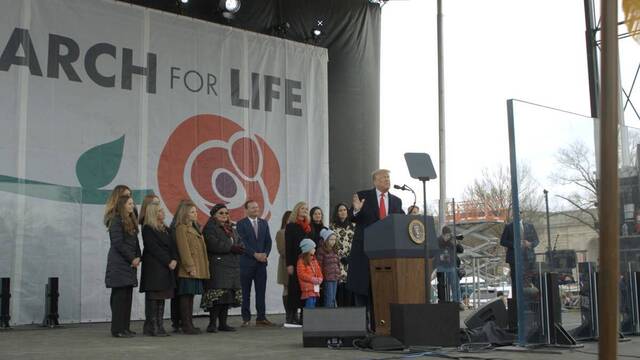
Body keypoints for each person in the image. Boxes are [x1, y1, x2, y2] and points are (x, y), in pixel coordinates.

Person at [348, 169, 404, 331]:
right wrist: (357, 209)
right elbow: (353, 217)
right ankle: (361, 328)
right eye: (384, 177)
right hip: (364, 250)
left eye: (388, 177)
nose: (387, 180)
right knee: (362, 288)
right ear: (375, 181)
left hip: (386, 252)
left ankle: (380, 326)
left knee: (382, 289)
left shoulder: (396, 201)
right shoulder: (362, 195)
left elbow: (399, 222)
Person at [201, 204, 243, 333]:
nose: (225, 215)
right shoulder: (210, 227)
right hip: (218, 265)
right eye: (221, 213)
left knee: (228, 296)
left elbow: (239, 241)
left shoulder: (231, 228)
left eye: (226, 213)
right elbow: (213, 244)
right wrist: (230, 248)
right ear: (214, 215)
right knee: (217, 296)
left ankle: (223, 323)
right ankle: (212, 324)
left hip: (232, 266)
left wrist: (240, 247)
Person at [105, 195, 141, 338]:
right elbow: (118, 243)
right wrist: (132, 258)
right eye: (130, 203)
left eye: (133, 203)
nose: (132, 206)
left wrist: (138, 256)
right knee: (119, 298)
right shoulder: (116, 220)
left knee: (127, 297)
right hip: (119, 264)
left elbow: (136, 242)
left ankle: (125, 328)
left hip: (129, 265)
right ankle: (117, 329)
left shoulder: (131, 220)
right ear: (122, 205)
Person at [140, 200, 178, 336]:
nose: (163, 213)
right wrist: (168, 261)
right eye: (160, 211)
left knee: (162, 297)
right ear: (154, 214)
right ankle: (152, 326)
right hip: (154, 268)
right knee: (154, 297)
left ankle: (160, 325)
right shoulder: (148, 229)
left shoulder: (166, 229)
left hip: (166, 268)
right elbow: (153, 248)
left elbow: (173, 246)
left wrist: (174, 259)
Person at [174, 200, 210, 335]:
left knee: (190, 297)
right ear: (185, 214)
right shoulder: (181, 228)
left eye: (196, 211)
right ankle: (186, 325)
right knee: (186, 297)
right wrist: (190, 266)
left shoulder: (194, 227)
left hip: (197, 267)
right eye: (192, 212)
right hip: (188, 269)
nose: (196, 214)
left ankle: (189, 324)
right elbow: (184, 249)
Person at [236, 200, 274, 327]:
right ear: (246, 210)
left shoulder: (264, 223)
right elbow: (242, 243)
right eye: (252, 208)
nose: (256, 209)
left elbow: (268, 241)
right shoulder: (241, 224)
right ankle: (246, 318)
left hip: (261, 264)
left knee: (261, 291)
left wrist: (265, 254)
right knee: (245, 292)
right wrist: (254, 254)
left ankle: (261, 317)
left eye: (257, 207)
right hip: (246, 263)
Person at [499, 214, 539, 307]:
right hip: (514, 259)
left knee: (529, 280)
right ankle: (517, 302)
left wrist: (530, 244)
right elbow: (503, 241)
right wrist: (515, 244)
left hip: (528, 258)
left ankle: (530, 301)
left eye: (520, 213)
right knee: (515, 281)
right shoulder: (509, 227)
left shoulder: (529, 226)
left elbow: (536, 241)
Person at [284, 202, 311, 327]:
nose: (305, 210)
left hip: (307, 262)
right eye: (302, 208)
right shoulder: (291, 226)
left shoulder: (308, 227)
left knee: (305, 289)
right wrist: (289, 264)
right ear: (297, 210)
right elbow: (288, 247)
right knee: (294, 289)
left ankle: (303, 317)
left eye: (306, 209)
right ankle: (291, 316)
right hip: (295, 261)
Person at [168, 199, 190, 333]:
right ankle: (178, 320)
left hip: (180, 262)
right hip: (180, 263)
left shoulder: (177, 225)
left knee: (179, 294)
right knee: (179, 294)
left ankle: (178, 321)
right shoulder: (178, 227)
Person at [330, 203, 355, 307]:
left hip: (351, 261)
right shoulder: (332, 227)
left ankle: (349, 314)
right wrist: (339, 257)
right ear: (337, 212)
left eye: (344, 210)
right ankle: (341, 312)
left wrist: (350, 257)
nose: (343, 212)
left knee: (349, 288)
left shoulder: (353, 226)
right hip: (337, 261)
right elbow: (330, 244)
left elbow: (357, 244)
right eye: (340, 210)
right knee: (339, 288)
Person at [436, 226, 464, 308]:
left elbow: (461, 250)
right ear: (443, 234)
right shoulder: (439, 241)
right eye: (447, 235)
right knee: (445, 285)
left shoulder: (451, 241)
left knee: (456, 284)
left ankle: (458, 302)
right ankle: (449, 302)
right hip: (444, 266)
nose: (448, 236)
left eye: (449, 235)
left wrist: (457, 242)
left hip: (452, 265)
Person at [316, 229, 340, 308]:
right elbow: (319, 265)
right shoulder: (321, 250)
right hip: (327, 277)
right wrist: (320, 276)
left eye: (334, 240)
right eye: (331, 239)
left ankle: (333, 314)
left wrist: (338, 273)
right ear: (326, 239)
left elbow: (337, 263)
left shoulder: (335, 250)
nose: (333, 242)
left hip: (335, 277)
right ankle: (328, 315)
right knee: (329, 298)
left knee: (333, 298)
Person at [297, 238, 323, 309]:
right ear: (307, 250)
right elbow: (301, 274)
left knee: (314, 305)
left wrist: (320, 278)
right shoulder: (301, 261)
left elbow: (318, 271)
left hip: (315, 288)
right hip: (307, 289)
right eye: (313, 248)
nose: (314, 249)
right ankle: (309, 319)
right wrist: (312, 279)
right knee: (310, 305)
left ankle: (312, 319)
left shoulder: (314, 260)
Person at [275, 210, 292, 322]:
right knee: (287, 288)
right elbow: (282, 251)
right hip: (286, 264)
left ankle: (293, 313)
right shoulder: (281, 233)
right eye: (290, 218)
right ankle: (288, 314)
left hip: (297, 264)